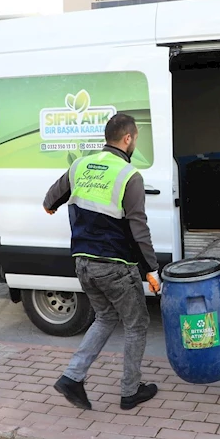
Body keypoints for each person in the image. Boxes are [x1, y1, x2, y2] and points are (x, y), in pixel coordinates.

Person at [42, 113, 161, 411]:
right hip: (115, 267)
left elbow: (49, 202)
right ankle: (130, 391)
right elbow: (138, 228)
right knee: (137, 324)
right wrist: (151, 271)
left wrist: (56, 210)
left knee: (106, 317)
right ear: (128, 139)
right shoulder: (128, 175)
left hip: (83, 263)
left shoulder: (79, 165)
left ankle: (72, 376)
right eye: (136, 138)